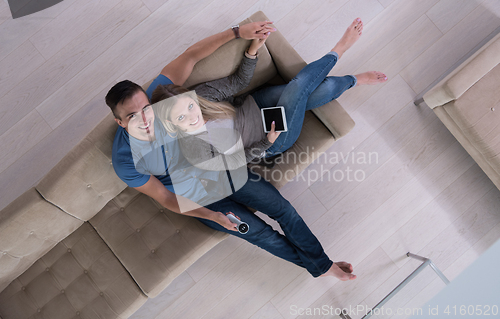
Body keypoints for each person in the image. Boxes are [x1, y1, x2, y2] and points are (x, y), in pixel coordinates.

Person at [105, 20, 357, 281]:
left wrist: (237, 32)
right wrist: (211, 214)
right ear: (120, 122)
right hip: (199, 199)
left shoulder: (161, 101)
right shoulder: (126, 161)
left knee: (283, 209)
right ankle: (323, 265)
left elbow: (190, 56)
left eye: (146, 109)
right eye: (133, 117)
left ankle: (321, 264)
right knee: (259, 234)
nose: (146, 119)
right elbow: (168, 199)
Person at [152, 18, 387, 166]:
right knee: (299, 88)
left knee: (310, 89)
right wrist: (267, 142)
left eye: (189, 106)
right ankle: (340, 50)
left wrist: (252, 51)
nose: (193, 115)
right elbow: (235, 161)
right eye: (181, 117)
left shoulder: (203, 96)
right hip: (272, 139)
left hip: (256, 106)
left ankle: (353, 80)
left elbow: (238, 81)